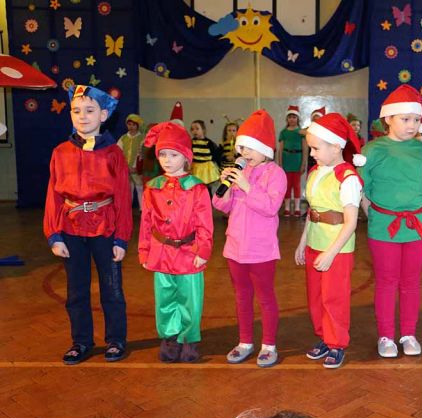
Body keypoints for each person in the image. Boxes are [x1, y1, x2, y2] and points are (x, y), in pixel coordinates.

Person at [44, 84, 131, 365]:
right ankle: (81, 341)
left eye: (90, 111)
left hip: (105, 228)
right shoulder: (60, 152)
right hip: (71, 229)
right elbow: (53, 195)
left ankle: (115, 340)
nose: (83, 116)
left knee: (112, 288)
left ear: (103, 115)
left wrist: (121, 238)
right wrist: (54, 234)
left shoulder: (114, 153)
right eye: (76, 111)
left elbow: (122, 196)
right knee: (76, 291)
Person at [359, 84, 422, 358]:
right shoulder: (372, 150)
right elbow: (360, 188)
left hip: (417, 226)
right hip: (384, 226)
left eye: (416, 119)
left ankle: (409, 333)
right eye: (405, 119)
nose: (412, 125)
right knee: (387, 281)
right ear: (388, 118)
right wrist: (373, 214)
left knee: (411, 281)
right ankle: (386, 335)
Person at [213, 110, 287, 367]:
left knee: (265, 297)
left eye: (250, 147)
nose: (244, 153)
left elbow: (270, 207)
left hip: (261, 249)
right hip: (235, 246)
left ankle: (269, 344)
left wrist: (245, 185)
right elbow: (221, 206)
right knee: (242, 296)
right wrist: (225, 186)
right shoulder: (239, 172)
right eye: (241, 147)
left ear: (265, 148)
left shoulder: (275, 173)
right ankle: (245, 341)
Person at [138, 122, 213, 363]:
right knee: (165, 298)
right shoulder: (152, 188)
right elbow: (146, 223)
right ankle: (170, 337)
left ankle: (189, 339)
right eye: (163, 155)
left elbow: (205, 223)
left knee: (190, 298)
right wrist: (144, 250)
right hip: (161, 252)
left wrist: (203, 249)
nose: (167, 160)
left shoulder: (197, 189)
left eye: (174, 155)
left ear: (186, 157)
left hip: (189, 252)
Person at [295, 113, 364, 369]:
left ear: (336, 147)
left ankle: (337, 343)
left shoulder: (347, 178)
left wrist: (331, 252)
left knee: (334, 297)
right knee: (315, 296)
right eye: (310, 148)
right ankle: (324, 336)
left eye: (316, 148)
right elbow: (312, 211)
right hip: (315, 243)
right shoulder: (315, 172)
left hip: (336, 248)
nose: (312, 153)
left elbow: (351, 222)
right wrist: (303, 242)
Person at [277, 105, 307, 217]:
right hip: (286, 160)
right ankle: (287, 208)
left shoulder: (301, 133)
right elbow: (280, 150)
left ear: (297, 119)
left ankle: (297, 208)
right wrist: (280, 163)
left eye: (294, 117)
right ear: (287, 119)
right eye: (290, 117)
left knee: (296, 185)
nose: (292, 119)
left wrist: (303, 163)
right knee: (287, 185)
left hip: (297, 160)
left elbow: (305, 149)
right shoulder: (283, 132)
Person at [117, 114, 145, 210]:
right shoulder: (123, 138)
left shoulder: (142, 138)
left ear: (138, 125)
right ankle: (128, 209)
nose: (131, 127)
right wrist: (124, 166)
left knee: (140, 187)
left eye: (134, 125)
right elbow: (118, 152)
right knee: (128, 189)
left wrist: (136, 167)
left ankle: (142, 209)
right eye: (129, 124)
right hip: (126, 168)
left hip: (137, 168)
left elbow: (142, 154)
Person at [190, 119, 223, 193]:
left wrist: (220, 167)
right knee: (196, 188)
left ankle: (208, 198)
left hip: (206, 169)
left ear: (203, 130)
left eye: (197, 129)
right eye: (192, 129)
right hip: (195, 168)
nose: (194, 131)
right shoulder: (191, 142)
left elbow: (216, 155)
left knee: (206, 188)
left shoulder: (209, 143)